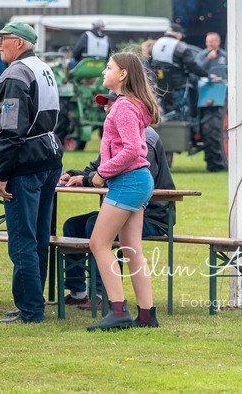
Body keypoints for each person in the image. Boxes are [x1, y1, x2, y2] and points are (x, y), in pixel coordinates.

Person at [0, 21, 62, 325]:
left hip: (25, 165)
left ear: (19, 43)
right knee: (38, 237)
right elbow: (31, 112)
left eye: (3, 40)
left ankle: (31, 309)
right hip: (49, 159)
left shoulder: (14, 75)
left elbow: (11, 129)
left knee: (22, 240)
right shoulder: (42, 68)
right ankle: (32, 303)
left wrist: (3, 173)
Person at [59, 92, 175, 311]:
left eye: (112, 106)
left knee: (100, 238)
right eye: (106, 108)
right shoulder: (120, 131)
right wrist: (76, 176)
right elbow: (100, 166)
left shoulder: (142, 135)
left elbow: (127, 165)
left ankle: (107, 299)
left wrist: (95, 178)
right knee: (73, 226)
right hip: (133, 194)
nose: (108, 112)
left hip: (156, 216)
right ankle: (81, 293)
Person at [86, 52, 161, 330]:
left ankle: (118, 311)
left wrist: (102, 173)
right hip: (136, 181)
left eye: (109, 67)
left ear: (123, 74)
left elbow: (133, 149)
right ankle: (146, 315)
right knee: (131, 249)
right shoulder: (125, 106)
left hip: (129, 181)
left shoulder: (124, 107)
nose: (104, 72)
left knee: (98, 243)